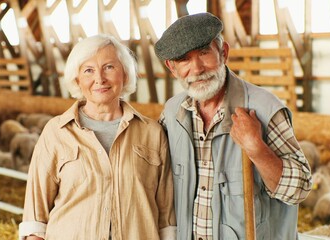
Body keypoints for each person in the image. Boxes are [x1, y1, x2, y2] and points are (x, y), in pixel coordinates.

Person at [154, 12, 312, 240]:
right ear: (172, 67)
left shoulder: (264, 109)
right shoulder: (172, 114)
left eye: (204, 52)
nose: (197, 68)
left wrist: (256, 149)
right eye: (184, 59)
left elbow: (300, 189)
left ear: (224, 53)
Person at [19, 34, 176, 240]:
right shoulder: (56, 132)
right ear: (77, 80)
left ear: (126, 75)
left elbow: (167, 219)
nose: (99, 79)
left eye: (109, 67)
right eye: (88, 70)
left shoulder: (152, 133)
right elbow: (35, 217)